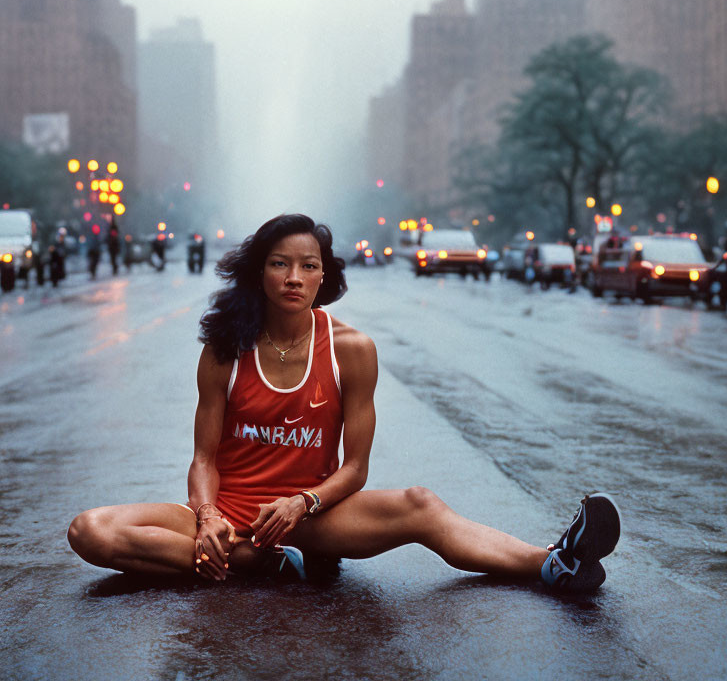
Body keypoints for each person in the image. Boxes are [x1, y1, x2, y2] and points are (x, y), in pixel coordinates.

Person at [67, 214, 620, 593]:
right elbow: (205, 458)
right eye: (280, 264)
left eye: (308, 266)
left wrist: (300, 504)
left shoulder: (352, 350)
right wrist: (208, 517)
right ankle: (253, 561)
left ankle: (553, 561)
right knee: (89, 531)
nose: (294, 277)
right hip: (229, 515)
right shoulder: (225, 348)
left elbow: (355, 469)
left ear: (324, 276)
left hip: (311, 516)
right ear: (259, 271)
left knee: (422, 505)